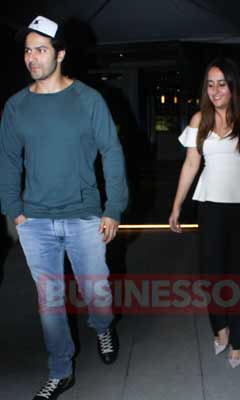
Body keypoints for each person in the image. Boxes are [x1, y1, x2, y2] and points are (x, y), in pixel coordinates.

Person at [0, 16, 127, 400]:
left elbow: (112, 152)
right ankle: (61, 370)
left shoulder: (89, 100)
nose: (32, 58)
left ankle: (102, 327)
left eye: (41, 50)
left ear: (60, 54)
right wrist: (13, 210)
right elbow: (9, 161)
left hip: (84, 215)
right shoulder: (16, 106)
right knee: (49, 302)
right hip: (35, 221)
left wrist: (113, 208)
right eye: (28, 50)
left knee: (97, 292)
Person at [168, 57, 240, 369]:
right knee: (212, 271)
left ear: (234, 87)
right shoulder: (199, 120)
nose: (215, 91)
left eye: (222, 84)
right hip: (210, 205)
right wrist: (177, 205)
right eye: (210, 85)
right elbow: (191, 164)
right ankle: (220, 327)